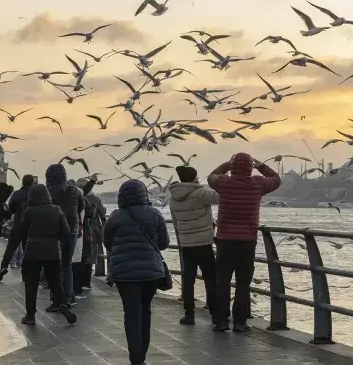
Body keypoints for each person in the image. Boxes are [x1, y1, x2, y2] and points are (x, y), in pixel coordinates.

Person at [208, 153, 280, 333]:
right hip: (247, 241)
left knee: (222, 281)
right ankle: (240, 322)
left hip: (225, 240)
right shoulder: (258, 183)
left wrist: (226, 165)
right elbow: (276, 179)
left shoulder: (223, 182)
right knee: (243, 283)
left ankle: (221, 321)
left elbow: (211, 177)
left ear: (232, 167)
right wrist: (261, 165)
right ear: (250, 167)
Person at [104, 179, 169, 365]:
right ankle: (142, 356)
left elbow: (107, 242)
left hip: (124, 273)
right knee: (145, 311)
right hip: (151, 273)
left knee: (131, 314)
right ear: (144, 194)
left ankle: (136, 359)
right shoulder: (155, 214)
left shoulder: (115, 216)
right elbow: (163, 244)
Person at [0, 184, 76, 326]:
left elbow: (22, 231)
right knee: (56, 283)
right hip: (52, 252)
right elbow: (66, 231)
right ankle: (63, 305)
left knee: (31, 284)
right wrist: (56, 240)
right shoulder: (56, 210)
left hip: (32, 252)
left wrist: (10, 253)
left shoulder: (29, 211)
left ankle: (30, 315)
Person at [169, 166, 219, 326]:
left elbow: (176, 223)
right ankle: (214, 314)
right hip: (204, 243)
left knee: (188, 279)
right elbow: (220, 197)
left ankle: (189, 314)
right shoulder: (201, 193)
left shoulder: (173, 198)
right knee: (210, 279)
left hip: (186, 245)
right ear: (194, 178)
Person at [44, 164, 82, 312]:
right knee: (67, 264)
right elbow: (84, 207)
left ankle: (57, 300)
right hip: (72, 229)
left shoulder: (48, 192)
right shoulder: (74, 190)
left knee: (55, 265)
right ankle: (69, 297)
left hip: (55, 230)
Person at [6, 175, 34, 268]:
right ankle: (26, 272)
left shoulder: (16, 194)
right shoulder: (34, 194)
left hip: (18, 223)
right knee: (28, 249)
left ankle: (4, 266)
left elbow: (11, 208)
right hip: (31, 226)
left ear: (22, 182)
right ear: (32, 182)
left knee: (11, 247)